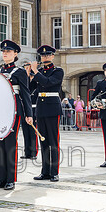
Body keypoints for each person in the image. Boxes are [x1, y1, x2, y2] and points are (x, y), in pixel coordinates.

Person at [0, 40, 33, 191]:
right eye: (3, 51)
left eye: (8, 52)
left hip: (13, 110)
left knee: (10, 144)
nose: (5, 53)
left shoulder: (20, 72)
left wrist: (29, 114)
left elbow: (25, 94)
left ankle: (11, 179)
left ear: (15, 54)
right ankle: (1, 178)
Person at [30, 45, 63, 181]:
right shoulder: (40, 71)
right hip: (41, 108)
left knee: (53, 141)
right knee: (43, 141)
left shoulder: (57, 71)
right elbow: (31, 88)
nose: (45, 57)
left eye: (48, 55)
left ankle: (54, 172)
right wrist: (28, 74)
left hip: (52, 107)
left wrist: (35, 72)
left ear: (53, 56)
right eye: (43, 55)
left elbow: (48, 83)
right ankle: (45, 171)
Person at [20, 62, 39, 160]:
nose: (30, 77)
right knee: (25, 132)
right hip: (26, 109)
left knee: (32, 132)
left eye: (31, 76)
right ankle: (27, 152)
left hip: (34, 109)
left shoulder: (36, 85)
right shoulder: (27, 84)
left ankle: (33, 152)